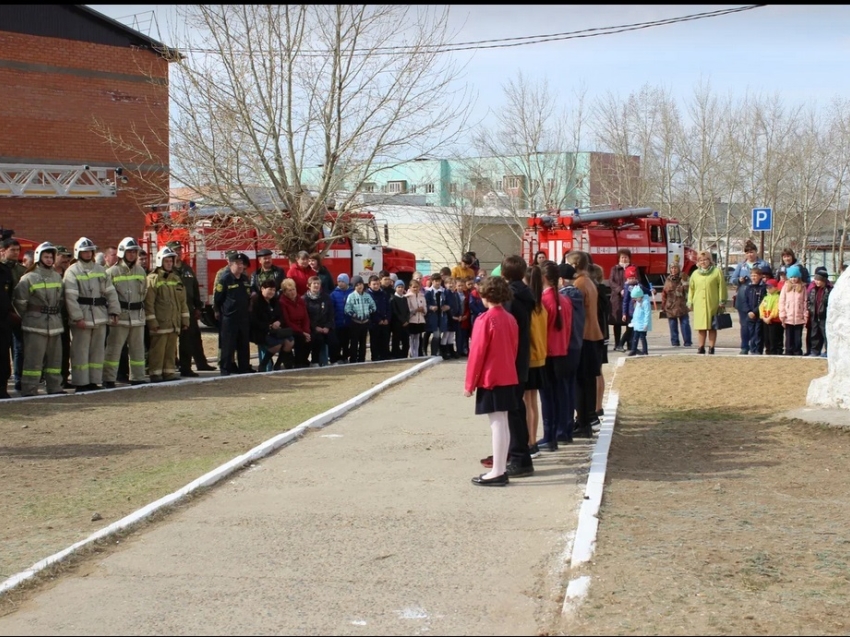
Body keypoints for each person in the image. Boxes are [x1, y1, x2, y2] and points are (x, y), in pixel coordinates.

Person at [464, 275, 519, 487]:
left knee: (496, 424)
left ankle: (497, 471)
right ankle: (500, 468)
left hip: (490, 377)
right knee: (502, 422)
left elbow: (476, 353)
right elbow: (513, 348)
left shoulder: (484, 320)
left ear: (485, 296)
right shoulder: (510, 318)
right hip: (507, 374)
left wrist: (470, 383)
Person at [64, 236, 120, 391]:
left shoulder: (100, 270)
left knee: (97, 352)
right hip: (82, 317)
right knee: (80, 352)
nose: (88, 254)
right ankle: (81, 383)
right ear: (78, 253)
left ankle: (94, 381)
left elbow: (110, 292)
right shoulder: (72, 271)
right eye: (85, 251)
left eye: (90, 251)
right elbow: (70, 297)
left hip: (100, 316)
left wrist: (114, 311)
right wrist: (77, 317)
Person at [12, 242, 67, 396]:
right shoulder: (28, 278)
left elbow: (61, 299)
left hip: (55, 324)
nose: (49, 259)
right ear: (38, 257)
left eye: (51, 257)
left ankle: (54, 387)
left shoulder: (57, 276)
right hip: (35, 325)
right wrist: (30, 316)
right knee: (33, 360)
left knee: (55, 361)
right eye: (46, 256)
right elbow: (19, 302)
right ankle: (30, 389)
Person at [500, 254, 535, 477]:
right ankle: (518, 454)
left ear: (504, 274)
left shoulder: (511, 297)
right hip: (521, 356)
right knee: (517, 408)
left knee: (513, 410)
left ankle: (519, 457)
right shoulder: (525, 294)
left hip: (511, 358)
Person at [564, 250, 604, 439]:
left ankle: (583, 421)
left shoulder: (579, 283)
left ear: (574, 265)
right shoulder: (589, 281)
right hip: (593, 333)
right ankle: (587, 418)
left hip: (585, 335)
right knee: (587, 380)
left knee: (581, 381)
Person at [103, 237, 148, 388]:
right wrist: (112, 313)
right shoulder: (111, 272)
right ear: (122, 252)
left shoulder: (141, 271)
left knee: (138, 350)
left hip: (138, 316)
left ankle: (138, 376)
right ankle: (109, 378)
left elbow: (145, 293)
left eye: (134, 252)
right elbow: (107, 296)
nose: (132, 254)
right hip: (120, 316)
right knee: (113, 349)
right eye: (129, 252)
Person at [537, 261, 572, 451]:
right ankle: (563, 430)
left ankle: (549, 435)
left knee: (548, 397)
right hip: (563, 351)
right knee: (562, 393)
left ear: (543, 278)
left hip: (548, 354)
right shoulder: (564, 300)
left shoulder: (544, 301)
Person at [144, 246, 189, 382]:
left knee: (170, 350)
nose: (169, 263)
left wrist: (185, 320)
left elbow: (182, 302)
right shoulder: (153, 279)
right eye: (166, 261)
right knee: (158, 350)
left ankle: (169, 372)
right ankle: (155, 373)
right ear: (160, 262)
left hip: (173, 322)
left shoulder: (176, 279)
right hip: (160, 322)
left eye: (171, 261)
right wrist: (152, 322)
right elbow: (149, 303)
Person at [170, 241, 216, 375]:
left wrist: (198, 306)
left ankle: (201, 363)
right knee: (176, 340)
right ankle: (181, 366)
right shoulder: (168, 269)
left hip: (189, 309)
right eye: (175, 250)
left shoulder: (187, 268)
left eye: (179, 250)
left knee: (193, 337)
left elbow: (194, 288)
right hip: (174, 309)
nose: (178, 253)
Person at [523, 265, 547, 458]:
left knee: (526, 402)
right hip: (540, 357)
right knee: (533, 401)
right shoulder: (541, 306)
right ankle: (533, 440)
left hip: (529, 357)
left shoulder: (528, 306)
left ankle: (530, 441)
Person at [730, 240, 770, 355]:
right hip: (743, 298)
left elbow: (769, 278)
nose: (750, 255)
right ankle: (744, 347)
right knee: (745, 325)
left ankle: (757, 348)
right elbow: (732, 279)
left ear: (756, 252)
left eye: (752, 252)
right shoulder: (741, 266)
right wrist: (739, 280)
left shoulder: (763, 264)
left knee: (758, 326)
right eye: (747, 253)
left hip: (758, 298)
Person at [687, 250, 727, 355]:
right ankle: (701, 347)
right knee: (701, 327)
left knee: (712, 326)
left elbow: (722, 287)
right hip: (699, 303)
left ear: (710, 260)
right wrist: (690, 302)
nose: (703, 262)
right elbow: (691, 289)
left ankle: (711, 347)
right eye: (700, 260)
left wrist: (722, 300)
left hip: (713, 303)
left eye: (705, 260)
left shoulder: (716, 272)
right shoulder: (695, 274)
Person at [250, 278, 292, 371]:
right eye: (269, 289)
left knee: (290, 342)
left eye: (274, 290)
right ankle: (263, 364)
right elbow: (253, 320)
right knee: (277, 344)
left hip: (275, 330)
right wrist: (268, 326)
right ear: (262, 289)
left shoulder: (275, 301)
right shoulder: (255, 301)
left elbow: (281, 316)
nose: (272, 292)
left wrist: (279, 322)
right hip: (260, 331)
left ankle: (278, 364)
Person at [2, 238, 26, 391]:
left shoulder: (21, 270)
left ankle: (19, 379)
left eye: (18, 250)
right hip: (4, 313)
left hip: (18, 314)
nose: (16, 253)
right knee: (4, 349)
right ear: (3, 251)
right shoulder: (2, 269)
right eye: (13, 250)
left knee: (19, 349)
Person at [279, 277, 312, 369]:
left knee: (313, 337)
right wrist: (302, 332)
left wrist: (306, 330)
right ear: (284, 292)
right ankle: (297, 362)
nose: (292, 292)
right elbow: (287, 321)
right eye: (289, 290)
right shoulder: (282, 302)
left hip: (302, 327)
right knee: (300, 338)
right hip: (290, 329)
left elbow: (306, 317)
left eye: (294, 289)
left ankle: (303, 360)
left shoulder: (300, 300)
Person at [303, 275, 334, 367]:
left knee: (334, 339)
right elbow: (306, 316)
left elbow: (331, 313)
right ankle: (314, 361)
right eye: (314, 284)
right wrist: (315, 327)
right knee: (318, 339)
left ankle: (334, 360)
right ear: (309, 285)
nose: (316, 285)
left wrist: (327, 326)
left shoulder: (326, 297)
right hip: (312, 328)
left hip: (325, 326)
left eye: (318, 284)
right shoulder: (304, 299)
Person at [344, 275, 375, 363]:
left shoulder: (367, 296)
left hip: (365, 322)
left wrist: (369, 312)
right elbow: (347, 308)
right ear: (354, 286)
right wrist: (354, 315)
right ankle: (353, 359)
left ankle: (362, 359)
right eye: (357, 285)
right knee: (354, 342)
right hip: (355, 322)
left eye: (360, 284)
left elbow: (373, 306)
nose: (359, 286)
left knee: (363, 342)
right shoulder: (351, 296)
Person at [661, 261, 692, 347]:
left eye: (675, 268)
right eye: (672, 268)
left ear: (678, 269)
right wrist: (663, 305)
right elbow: (664, 292)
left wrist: (684, 283)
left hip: (682, 305)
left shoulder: (683, 277)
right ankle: (675, 342)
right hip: (670, 305)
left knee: (685, 324)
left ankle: (688, 342)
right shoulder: (668, 279)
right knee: (672, 325)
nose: (673, 270)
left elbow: (689, 290)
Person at [779, 264, 806, 356]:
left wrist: (805, 315)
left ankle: (797, 351)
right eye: (792, 277)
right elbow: (782, 301)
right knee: (789, 336)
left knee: (798, 337)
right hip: (788, 317)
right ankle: (788, 351)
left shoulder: (802, 287)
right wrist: (782, 314)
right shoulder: (786, 287)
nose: (794, 279)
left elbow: (805, 302)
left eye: (795, 276)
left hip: (799, 317)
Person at [742, 266, 768, 355]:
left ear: (760, 276)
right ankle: (752, 349)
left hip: (759, 315)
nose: (753, 277)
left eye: (755, 275)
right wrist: (749, 311)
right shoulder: (748, 288)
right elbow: (745, 301)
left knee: (758, 333)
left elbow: (763, 301)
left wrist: (755, 311)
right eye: (752, 275)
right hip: (750, 315)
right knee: (751, 333)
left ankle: (758, 350)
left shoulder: (763, 288)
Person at [608, 248, 630, 352]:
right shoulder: (614, 269)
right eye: (622, 257)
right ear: (619, 258)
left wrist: (628, 290)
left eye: (626, 257)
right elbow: (611, 281)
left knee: (630, 323)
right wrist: (620, 290)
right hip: (617, 299)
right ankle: (617, 344)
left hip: (629, 298)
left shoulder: (633, 268)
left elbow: (637, 280)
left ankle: (629, 344)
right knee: (617, 322)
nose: (624, 259)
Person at [329, 273, 353, 365]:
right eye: (339, 281)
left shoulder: (352, 292)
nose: (340, 283)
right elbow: (332, 309)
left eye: (343, 281)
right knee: (337, 342)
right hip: (338, 322)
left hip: (349, 322)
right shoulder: (334, 294)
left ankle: (345, 356)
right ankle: (338, 357)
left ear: (347, 282)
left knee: (346, 341)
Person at [807, 268, 830, 358]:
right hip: (815, 315)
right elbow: (809, 301)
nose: (816, 281)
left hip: (824, 316)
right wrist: (810, 309)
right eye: (815, 279)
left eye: (818, 280)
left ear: (823, 280)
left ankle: (828, 351)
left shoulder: (829, 290)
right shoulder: (813, 289)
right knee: (814, 334)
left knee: (825, 334)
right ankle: (815, 351)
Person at [367, 274, 391, 361]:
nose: (376, 286)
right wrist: (378, 320)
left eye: (377, 284)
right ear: (369, 284)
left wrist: (387, 319)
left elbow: (388, 307)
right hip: (374, 322)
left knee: (385, 339)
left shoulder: (383, 293)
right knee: (374, 341)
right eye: (374, 284)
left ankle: (384, 355)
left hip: (385, 321)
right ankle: (375, 357)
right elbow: (370, 310)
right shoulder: (368, 295)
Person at [0, 259, 13, 398]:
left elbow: (9, 295)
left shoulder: (4, 271)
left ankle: (2, 387)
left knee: (3, 354)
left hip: (3, 321)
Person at [760, 279, 783, 355]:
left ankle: (775, 351)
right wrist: (763, 317)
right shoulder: (766, 297)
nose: (768, 289)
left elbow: (776, 309)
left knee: (774, 337)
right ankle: (768, 350)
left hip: (774, 320)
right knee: (767, 337)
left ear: (775, 287)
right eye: (767, 287)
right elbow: (761, 307)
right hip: (766, 319)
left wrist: (770, 317)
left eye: (770, 287)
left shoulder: (777, 297)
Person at [627, 286, 651, 356]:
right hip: (637, 323)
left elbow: (647, 314)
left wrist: (646, 323)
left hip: (642, 323)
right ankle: (633, 349)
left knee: (642, 338)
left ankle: (645, 351)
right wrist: (633, 321)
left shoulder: (645, 302)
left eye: (635, 298)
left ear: (639, 296)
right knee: (635, 337)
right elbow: (636, 313)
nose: (635, 300)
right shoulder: (638, 302)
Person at [405, 279, 427, 358]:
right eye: (414, 287)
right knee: (411, 337)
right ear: (410, 287)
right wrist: (415, 310)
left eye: (417, 287)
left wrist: (423, 310)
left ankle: (416, 354)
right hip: (412, 320)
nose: (415, 289)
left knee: (417, 337)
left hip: (420, 320)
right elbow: (407, 309)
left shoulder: (422, 296)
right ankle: (411, 353)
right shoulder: (408, 297)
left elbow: (425, 307)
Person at [390, 280, 410, 358]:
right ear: (395, 288)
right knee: (396, 340)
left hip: (406, 324)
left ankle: (404, 355)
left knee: (406, 341)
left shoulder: (404, 298)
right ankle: (396, 355)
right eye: (398, 287)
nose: (400, 289)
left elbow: (408, 310)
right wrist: (402, 321)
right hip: (397, 324)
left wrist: (407, 320)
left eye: (402, 287)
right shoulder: (393, 299)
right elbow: (395, 312)